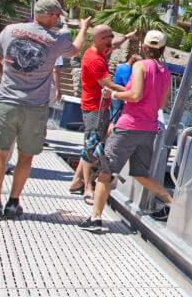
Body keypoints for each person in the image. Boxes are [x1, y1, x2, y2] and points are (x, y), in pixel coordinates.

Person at [0, 0, 90, 220]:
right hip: (35, 107)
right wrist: (84, 28)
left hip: (6, 103)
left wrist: (8, 77)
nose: (58, 20)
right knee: (25, 157)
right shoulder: (55, 40)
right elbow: (76, 49)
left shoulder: (10, 31)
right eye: (57, 16)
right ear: (50, 16)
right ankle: (13, 203)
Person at [79, 30, 173, 232]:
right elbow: (162, 104)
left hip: (128, 126)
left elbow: (135, 95)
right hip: (149, 128)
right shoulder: (166, 73)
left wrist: (113, 94)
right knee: (141, 174)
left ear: (145, 48)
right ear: (163, 49)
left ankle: (96, 218)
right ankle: (171, 203)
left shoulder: (140, 65)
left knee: (105, 172)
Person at [71, 25, 136, 204]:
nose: (111, 40)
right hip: (94, 107)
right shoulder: (95, 60)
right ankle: (87, 189)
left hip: (99, 106)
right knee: (92, 147)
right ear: (100, 38)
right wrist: (134, 93)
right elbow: (107, 83)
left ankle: (76, 181)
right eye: (109, 36)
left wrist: (127, 36)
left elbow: (113, 45)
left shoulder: (98, 51)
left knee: (93, 143)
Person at [109, 54, 141, 126]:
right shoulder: (127, 69)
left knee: (112, 116)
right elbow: (127, 86)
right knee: (116, 117)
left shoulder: (122, 66)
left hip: (114, 94)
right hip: (119, 95)